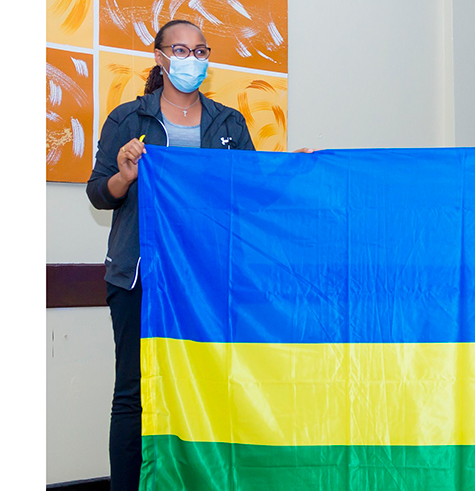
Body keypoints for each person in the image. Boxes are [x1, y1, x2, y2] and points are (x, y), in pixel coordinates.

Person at [85, 19, 313, 490]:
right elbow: (99, 194)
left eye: (200, 51)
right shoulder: (129, 119)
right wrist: (125, 176)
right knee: (134, 394)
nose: (192, 59)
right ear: (160, 57)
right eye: (181, 50)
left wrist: (292, 170)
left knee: (211, 385)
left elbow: (249, 192)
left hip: (209, 278)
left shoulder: (228, 123)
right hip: (141, 277)